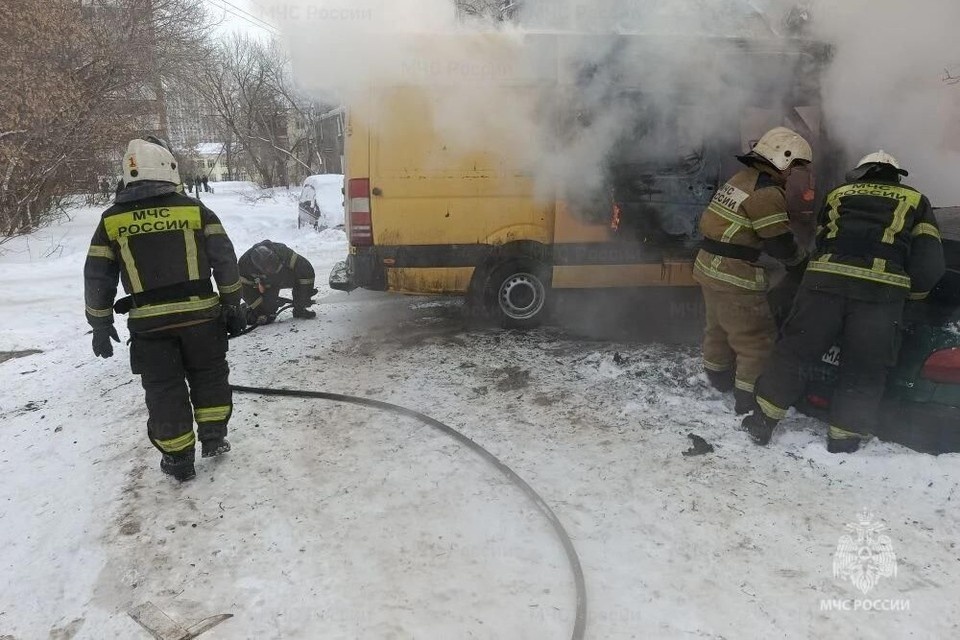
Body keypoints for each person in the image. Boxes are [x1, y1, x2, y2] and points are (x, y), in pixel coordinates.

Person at [743, 151, 946, 453]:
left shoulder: (839, 193)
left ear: (861, 173)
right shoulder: (916, 201)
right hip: (879, 295)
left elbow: (822, 239)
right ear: (895, 175)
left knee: (795, 351)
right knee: (865, 367)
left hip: (824, 283)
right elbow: (929, 264)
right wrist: (912, 297)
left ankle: (763, 420)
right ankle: (844, 439)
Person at [84, 136, 247, 482]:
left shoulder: (111, 221)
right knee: (209, 375)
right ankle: (214, 437)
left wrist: (99, 323)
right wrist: (234, 304)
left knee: (164, 389)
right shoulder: (194, 210)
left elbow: (98, 275)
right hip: (202, 317)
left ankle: (178, 459)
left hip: (150, 327)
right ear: (168, 168)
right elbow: (225, 260)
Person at [693, 126, 812, 414]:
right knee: (756, 339)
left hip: (709, 266)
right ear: (782, 158)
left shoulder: (741, 179)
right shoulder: (766, 192)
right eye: (794, 166)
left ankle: (718, 378)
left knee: (718, 327)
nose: (792, 174)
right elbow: (779, 241)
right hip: (735, 274)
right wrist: (801, 265)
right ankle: (747, 399)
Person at [238, 240, 318, 324]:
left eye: (273, 265)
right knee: (267, 317)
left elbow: (305, 269)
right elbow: (245, 290)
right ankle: (243, 311)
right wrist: (260, 308)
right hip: (264, 285)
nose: (271, 269)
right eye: (268, 268)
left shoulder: (282, 252)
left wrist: (303, 295)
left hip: (281, 277)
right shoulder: (244, 266)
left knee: (301, 275)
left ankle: (299, 310)